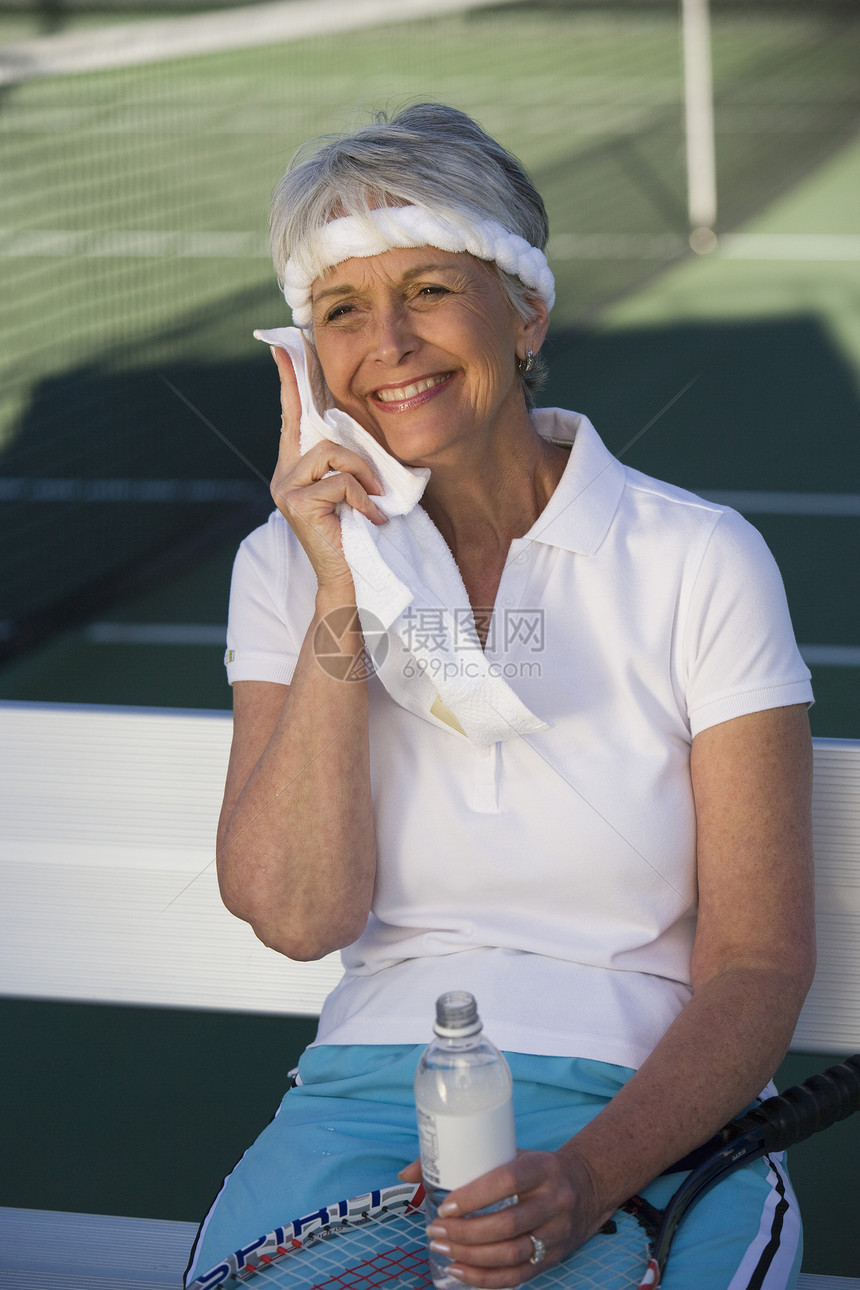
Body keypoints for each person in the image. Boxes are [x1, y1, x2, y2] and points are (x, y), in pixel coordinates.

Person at [185, 103, 815, 1289]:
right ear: (308, 360)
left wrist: (586, 1177)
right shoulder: (283, 565)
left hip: (648, 1105)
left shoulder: (700, 556)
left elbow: (755, 963)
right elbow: (297, 914)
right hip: (366, 1095)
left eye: (427, 289)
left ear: (523, 310)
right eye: (340, 311)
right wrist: (336, 582)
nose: (388, 345)